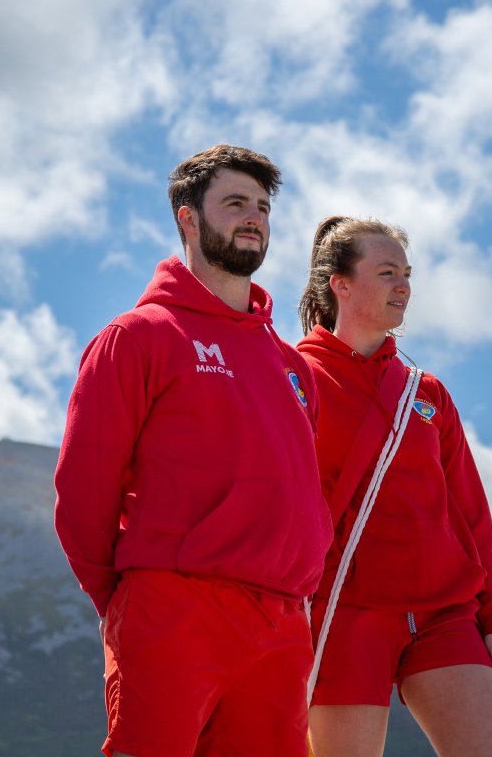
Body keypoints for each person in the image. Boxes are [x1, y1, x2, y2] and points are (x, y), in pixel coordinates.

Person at [54, 145, 332, 757]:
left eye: (262, 207)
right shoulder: (137, 337)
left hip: (283, 623)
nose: (254, 217)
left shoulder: (292, 368)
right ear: (188, 218)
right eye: (235, 203)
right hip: (172, 607)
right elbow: (82, 491)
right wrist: (127, 601)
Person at [296, 215, 492, 757]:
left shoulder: (427, 393)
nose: (404, 286)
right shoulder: (294, 378)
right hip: (344, 613)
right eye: (387, 273)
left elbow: (471, 513)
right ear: (341, 284)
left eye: (407, 274)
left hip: (445, 613)